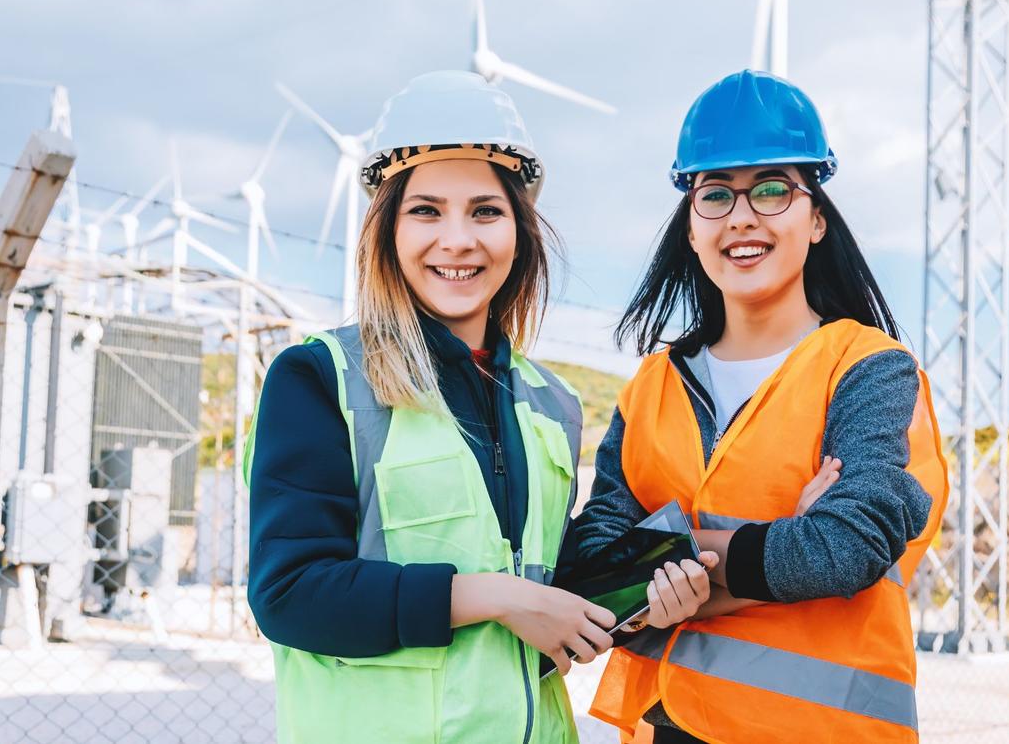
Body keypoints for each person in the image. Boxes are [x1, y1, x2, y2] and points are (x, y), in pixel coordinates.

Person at [244, 71, 714, 744]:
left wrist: (643, 599)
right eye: (427, 211)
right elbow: (291, 595)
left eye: (486, 211)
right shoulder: (321, 378)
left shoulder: (554, 404)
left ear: (519, 230)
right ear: (387, 230)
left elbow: (550, 588)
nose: (458, 240)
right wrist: (498, 597)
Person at [574, 70, 950, 744]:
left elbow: (847, 545)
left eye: (773, 190)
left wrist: (670, 568)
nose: (742, 216)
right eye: (715, 195)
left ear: (815, 220)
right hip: (671, 729)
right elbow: (591, 573)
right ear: (691, 229)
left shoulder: (867, 369)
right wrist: (781, 544)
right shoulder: (653, 385)